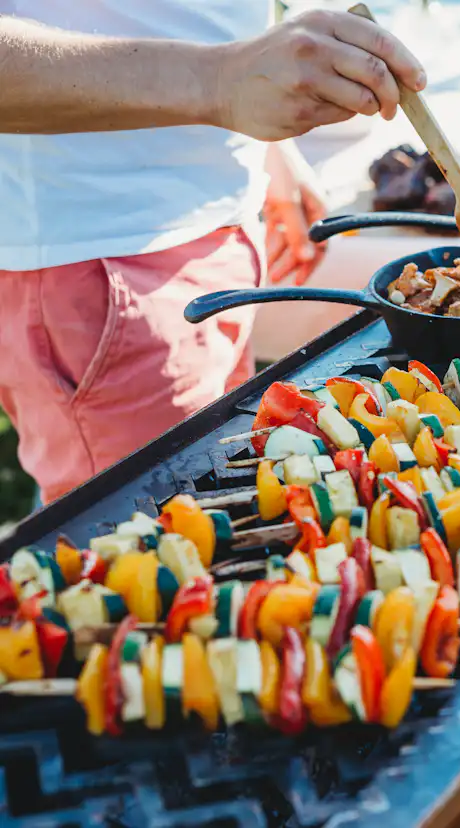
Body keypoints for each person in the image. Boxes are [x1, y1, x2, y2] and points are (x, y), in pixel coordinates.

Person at [0, 4, 426, 504]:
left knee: (224, 498)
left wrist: (262, 148)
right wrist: (221, 81)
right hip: (109, 268)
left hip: (211, 240)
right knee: (146, 546)